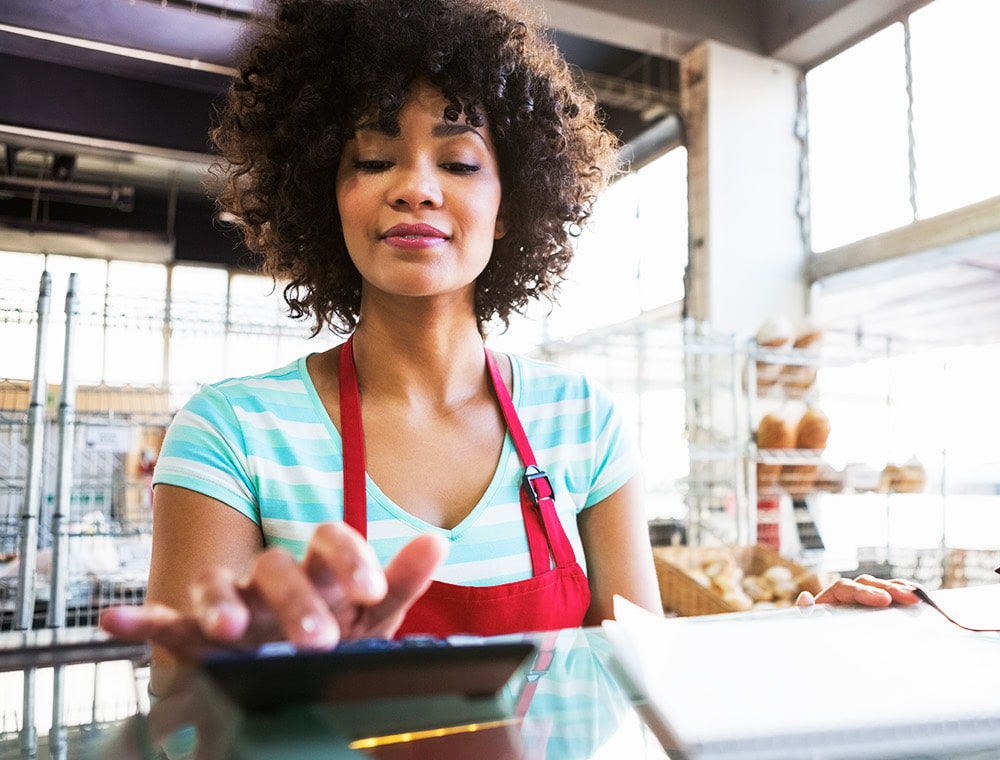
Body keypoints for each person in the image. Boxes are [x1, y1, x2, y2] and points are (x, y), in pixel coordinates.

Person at [98, 0, 919, 692]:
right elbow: (175, 716)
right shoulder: (230, 434)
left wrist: (799, 643)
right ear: (325, 194)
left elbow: (643, 684)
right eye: (374, 157)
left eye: (458, 160)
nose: (414, 184)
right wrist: (236, 679)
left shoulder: (583, 424)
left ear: (513, 201)